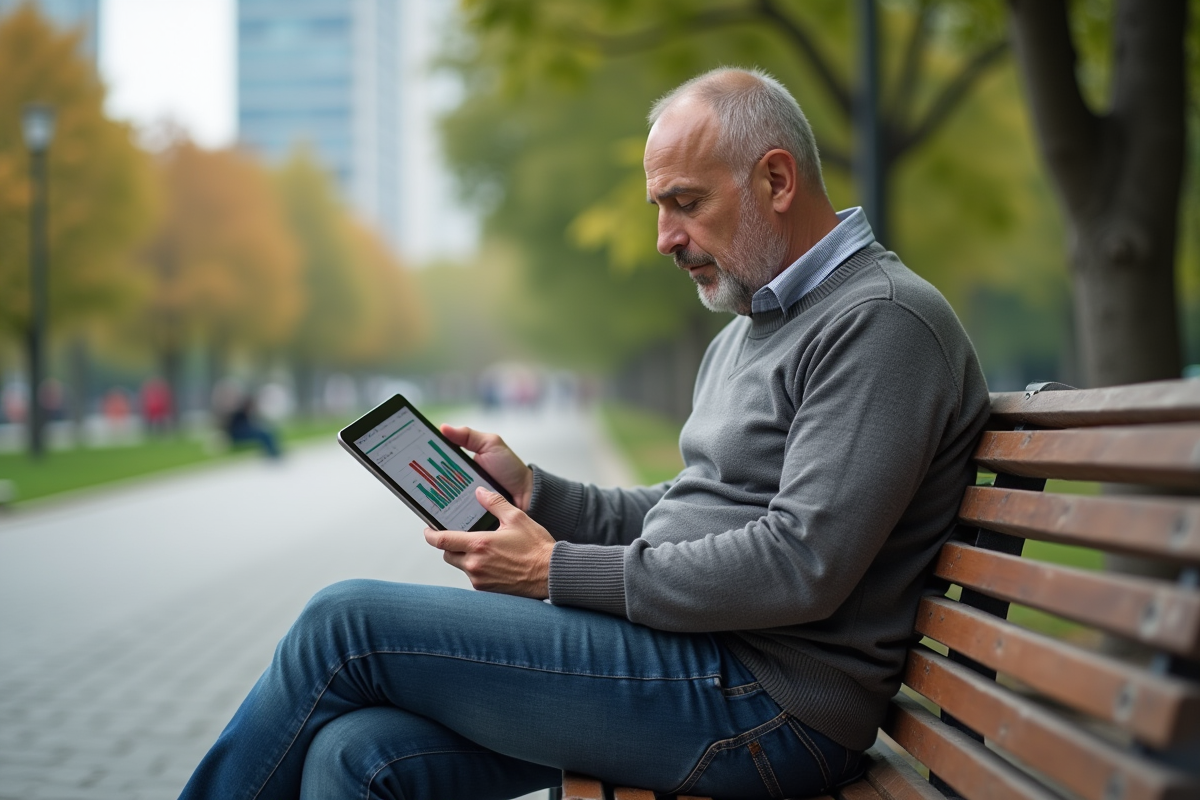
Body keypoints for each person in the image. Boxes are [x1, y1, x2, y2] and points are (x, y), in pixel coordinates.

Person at [178, 68, 990, 800]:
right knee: (355, 754)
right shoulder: (749, 329)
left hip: (768, 706)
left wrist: (554, 571)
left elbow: (800, 562)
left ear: (776, 179)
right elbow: (691, 509)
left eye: (687, 203)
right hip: (693, 663)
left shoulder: (881, 321)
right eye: (659, 208)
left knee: (343, 623)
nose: (666, 239)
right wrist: (536, 494)